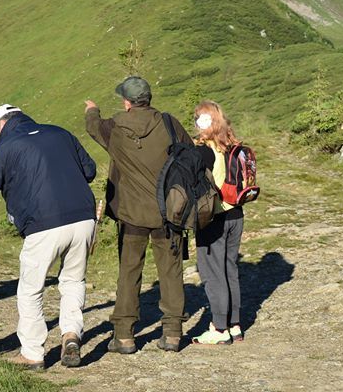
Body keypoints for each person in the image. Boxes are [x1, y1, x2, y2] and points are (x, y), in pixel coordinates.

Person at [0, 104, 97, 370]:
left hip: (43, 224)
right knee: (74, 279)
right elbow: (90, 171)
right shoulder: (61, 133)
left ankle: (32, 353)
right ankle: (71, 334)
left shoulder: (3, 149)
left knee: (31, 290)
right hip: (84, 218)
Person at [84, 76, 191, 354]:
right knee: (171, 271)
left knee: (129, 272)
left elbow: (93, 128)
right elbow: (190, 156)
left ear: (127, 102)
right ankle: (173, 333)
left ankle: (124, 336)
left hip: (131, 214)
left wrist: (92, 110)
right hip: (169, 213)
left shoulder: (116, 127)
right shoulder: (169, 124)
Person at [192, 100, 245, 345]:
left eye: (199, 118)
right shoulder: (232, 144)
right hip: (236, 214)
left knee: (213, 273)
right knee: (229, 269)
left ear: (208, 122)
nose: (196, 122)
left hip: (214, 216)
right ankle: (234, 324)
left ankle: (219, 328)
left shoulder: (205, 150)